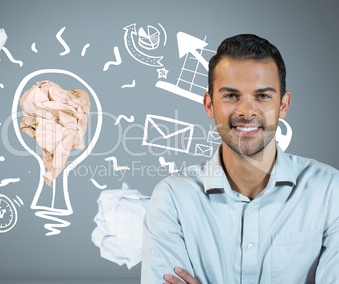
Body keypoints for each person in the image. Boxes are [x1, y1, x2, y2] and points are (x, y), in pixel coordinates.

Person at [140, 34, 339, 283]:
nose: (246, 111)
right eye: (231, 96)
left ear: (284, 105)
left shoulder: (330, 191)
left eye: (263, 96)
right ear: (209, 104)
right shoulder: (172, 198)